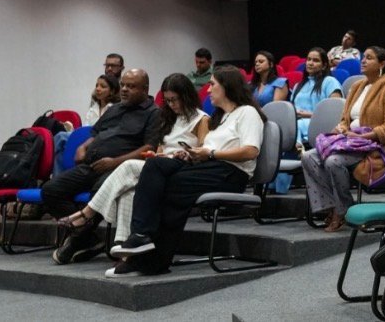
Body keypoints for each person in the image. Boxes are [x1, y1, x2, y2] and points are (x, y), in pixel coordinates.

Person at [107, 68, 265, 277]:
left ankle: (146, 252)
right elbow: (209, 152)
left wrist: (211, 154)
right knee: (155, 166)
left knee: (168, 187)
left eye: (213, 84)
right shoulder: (222, 117)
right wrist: (190, 155)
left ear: (227, 87)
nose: (208, 89)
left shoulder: (247, 112)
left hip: (230, 174)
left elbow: (251, 151)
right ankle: (142, 241)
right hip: (210, 166)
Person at [55, 74, 207, 248]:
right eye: (167, 101)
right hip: (158, 167)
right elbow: (159, 149)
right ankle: (125, 248)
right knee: (128, 193)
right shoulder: (170, 118)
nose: (171, 105)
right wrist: (156, 155)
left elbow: (202, 154)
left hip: (180, 169)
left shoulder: (201, 119)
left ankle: (86, 214)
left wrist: (185, 154)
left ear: (186, 97)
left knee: (127, 166)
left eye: (175, 100)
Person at [47, 69, 160, 264]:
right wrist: (82, 147)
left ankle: (76, 240)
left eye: (131, 86)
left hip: (118, 169)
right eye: (123, 85)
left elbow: (150, 147)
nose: (124, 89)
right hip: (90, 165)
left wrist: (115, 161)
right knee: (50, 190)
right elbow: (96, 133)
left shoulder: (153, 113)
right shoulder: (115, 108)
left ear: (145, 89)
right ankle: (89, 239)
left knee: (99, 191)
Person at [300, 45, 385, 232]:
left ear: (382, 64)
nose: (363, 60)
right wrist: (342, 127)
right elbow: (345, 119)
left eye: (369, 58)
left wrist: (363, 135)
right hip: (349, 142)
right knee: (308, 156)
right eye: (363, 57)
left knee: (333, 161)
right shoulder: (357, 87)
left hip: (373, 146)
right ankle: (335, 206)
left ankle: (342, 211)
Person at [290, 46, 343, 144]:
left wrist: (309, 115)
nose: (310, 63)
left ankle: (299, 148)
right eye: (309, 59)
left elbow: (336, 114)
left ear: (324, 66)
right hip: (295, 122)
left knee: (297, 125)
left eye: (315, 60)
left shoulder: (330, 82)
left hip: (318, 123)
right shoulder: (298, 85)